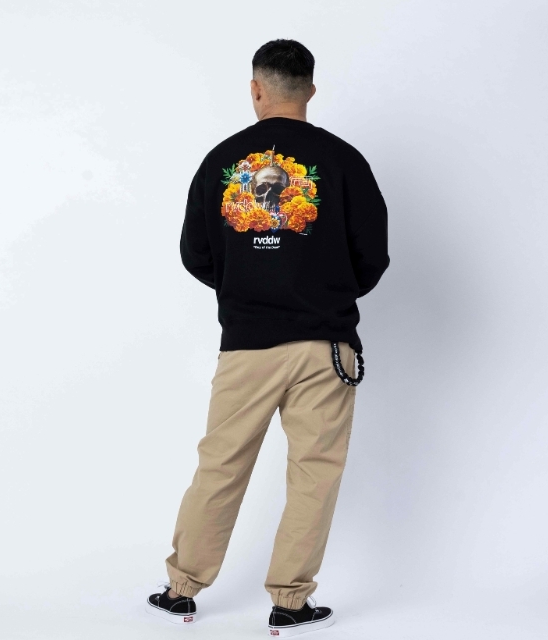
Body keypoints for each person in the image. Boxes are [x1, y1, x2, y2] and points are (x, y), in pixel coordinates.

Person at [145, 38, 390, 637]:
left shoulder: (221, 161)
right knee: (314, 472)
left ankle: (180, 593)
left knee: (220, 466)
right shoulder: (344, 161)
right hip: (324, 345)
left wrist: (246, 284)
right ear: (310, 89)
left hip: (246, 343)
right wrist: (325, 290)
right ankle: (290, 604)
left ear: (256, 90)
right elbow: (373, 255)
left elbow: (196, 254)